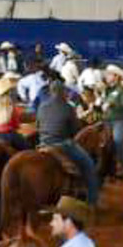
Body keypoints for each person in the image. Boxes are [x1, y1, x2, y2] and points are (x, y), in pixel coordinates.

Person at [34, 79, 100, 208]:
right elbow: (75, 130)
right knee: (89, 165)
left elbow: (38, 125)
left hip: (43, 144)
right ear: (62, 92)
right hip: (62, 144)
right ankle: (92, 203)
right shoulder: (68, 107)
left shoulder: (42, 106)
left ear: (51, 91)